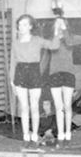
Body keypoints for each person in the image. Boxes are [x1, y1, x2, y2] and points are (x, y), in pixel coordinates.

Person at [10, 14, 60, 143]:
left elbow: (54, 45)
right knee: (24, 107)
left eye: (25, 24)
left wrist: (57, 30)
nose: (22, 27)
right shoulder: (15, 43)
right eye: (20, 24)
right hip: (20, 74)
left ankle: (35, 133)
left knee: (34, 107)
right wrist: (12, 81)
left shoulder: (37, 40)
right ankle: (26, 134)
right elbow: (13, 62)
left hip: (34, 72)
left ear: (30, 26)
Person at [44, 16, 81, 142]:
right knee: (58, 106)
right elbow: (53, 47)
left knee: (67, 105)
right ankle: (60, 132)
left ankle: (68, 131)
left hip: (68, 74)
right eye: (57, 24)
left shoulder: (70, 39)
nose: (60, 26)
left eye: (62, 24)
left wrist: (64, 29)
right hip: (54, 74)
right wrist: (57, 32)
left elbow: (70, 42)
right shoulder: (51, 39)